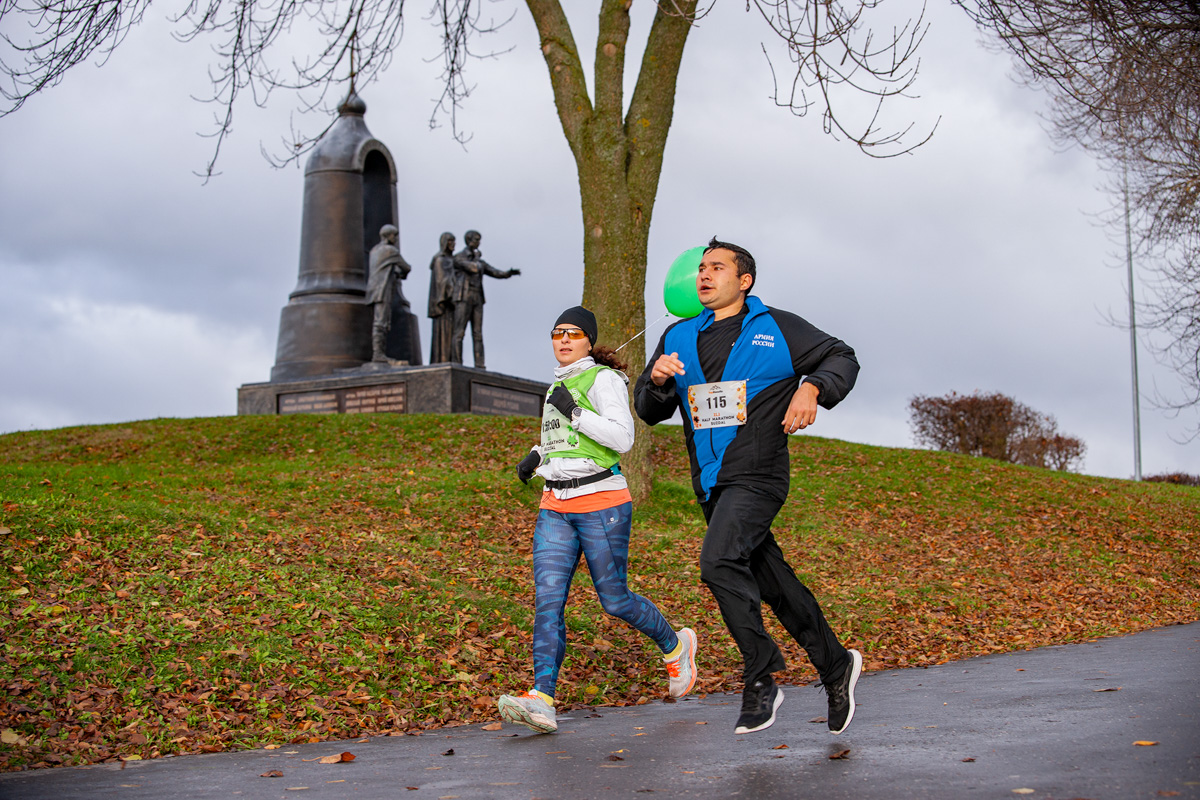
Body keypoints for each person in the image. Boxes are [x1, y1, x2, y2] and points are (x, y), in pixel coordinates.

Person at [633, 238, 862, 736]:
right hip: (711, 482)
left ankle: (761, 677)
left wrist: (811, 387)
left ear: (745, 280)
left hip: (757, 473)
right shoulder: (678, 336)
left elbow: (841, 356)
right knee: (773, 583)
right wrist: (654, 381)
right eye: (700, 268)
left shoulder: (775, 326)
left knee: (717, 561)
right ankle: (835, 663)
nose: (704, 275)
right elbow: (648, 411)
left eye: (717, 267)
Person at [497, 305, 699, 734]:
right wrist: (537, 457)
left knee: (614, 599)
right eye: (557, 333)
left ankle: (674, 645)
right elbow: (562, 442)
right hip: (555, 504)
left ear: (589, 341)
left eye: (573, 333)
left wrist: (574, 411)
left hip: (601, 501)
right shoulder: (558, 385)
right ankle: (543, 699)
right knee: (548, 602)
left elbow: (622, 438)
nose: (564, 339)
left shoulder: (604, 380)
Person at [451, 230, 520, 369]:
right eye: (477, 239)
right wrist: (478, 261)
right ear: (469, 240)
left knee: (477, 333)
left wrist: (508, 273)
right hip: (463, 297)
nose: (479, 243)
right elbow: (473, 268)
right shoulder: (459, 258)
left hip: (477, 298)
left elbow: (494, 271)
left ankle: (480, 365)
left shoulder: (479, 261)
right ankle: (457, 364)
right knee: (459, 332)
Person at [366, 224, 414, 363]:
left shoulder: (374, 250)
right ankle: (378, 355)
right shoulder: (391, 251)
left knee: (378, 320)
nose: (396, 238)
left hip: (373, 290)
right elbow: (406, 267)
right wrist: (400, 272)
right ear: (387, 236)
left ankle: (378, 353)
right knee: (381, 322)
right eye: (394, 235)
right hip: (383, 289)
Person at [428, 232, 458, 364]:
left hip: (452, 303)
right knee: (444, 333)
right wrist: (452, 294)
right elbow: (442, 282)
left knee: (452, 333)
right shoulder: (440, 260)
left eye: (454, 241)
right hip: (444, 303)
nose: (453, 244)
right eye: (450, 241)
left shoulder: (452, 260)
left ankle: (451, 358)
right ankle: (442, 359)